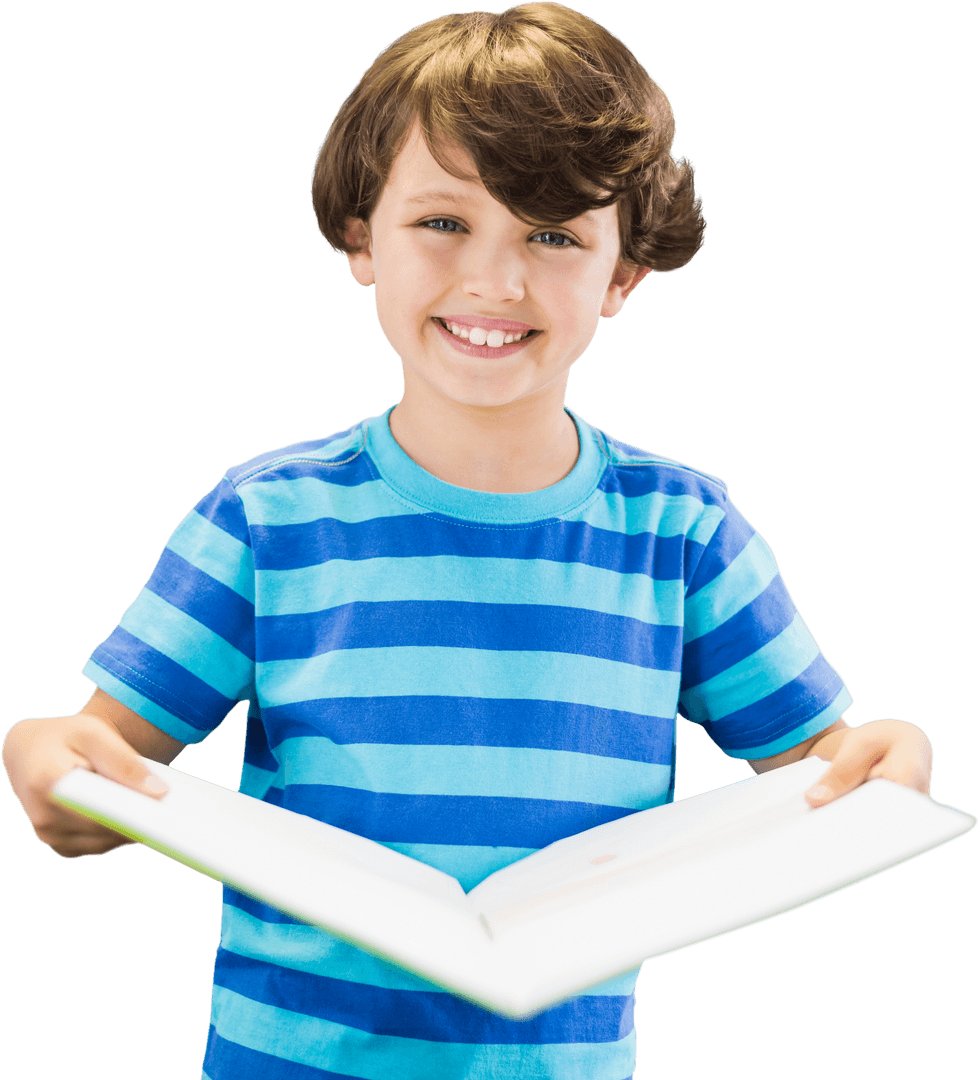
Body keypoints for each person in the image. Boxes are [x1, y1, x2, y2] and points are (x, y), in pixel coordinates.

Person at [1, 4, 934, 1079]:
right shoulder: (266, 516)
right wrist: (45, 758)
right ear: (360, 237)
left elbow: (818, 776)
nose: (494, 283)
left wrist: (882, 760)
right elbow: (97, 752)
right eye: (442, 223)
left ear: (621, 274)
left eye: (553, 235)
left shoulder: (684, 534)